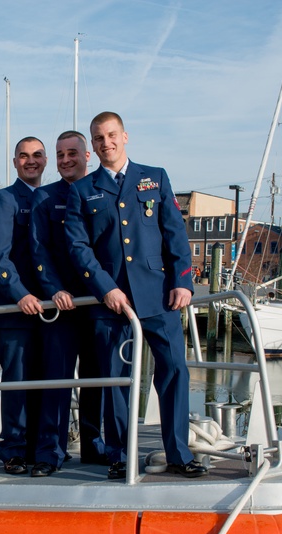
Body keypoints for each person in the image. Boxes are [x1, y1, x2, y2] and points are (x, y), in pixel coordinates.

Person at [65, 111, 206, 480]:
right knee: (117, 381)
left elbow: (174, 233)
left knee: (174, 371)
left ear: (125, 136)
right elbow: (78, 247)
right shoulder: (82, 190)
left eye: (111, 135)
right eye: (98, 138)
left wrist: (183, 282)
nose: (105, 143)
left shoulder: (154, 178)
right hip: (111, 303)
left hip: (159, 297)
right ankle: (121, 455)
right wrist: (104, 287)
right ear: (92, 145)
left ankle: (178, 452)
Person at [30, 130, 106, 471]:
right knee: (57, 381)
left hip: (99, 302)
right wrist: (53, 289)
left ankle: (93, 445)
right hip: (61, 304)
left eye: (72, 153)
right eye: (59, 155)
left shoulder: (102, 192)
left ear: (86, 155)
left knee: (96, 379)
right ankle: (50, 452)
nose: (65, 160)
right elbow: (39, 250)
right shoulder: (44, 198)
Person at [0, 137, 48, 475]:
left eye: (37, 155)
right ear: (14, 162)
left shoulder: (52, 197)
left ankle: (42, 447)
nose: (31, 161)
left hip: (51, 309)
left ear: (46, 160)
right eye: (24, 156)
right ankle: (14, 450)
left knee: (45, 381)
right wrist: (20, 293)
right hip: (16, 308)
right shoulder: (4, 200)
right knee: (18, 383)